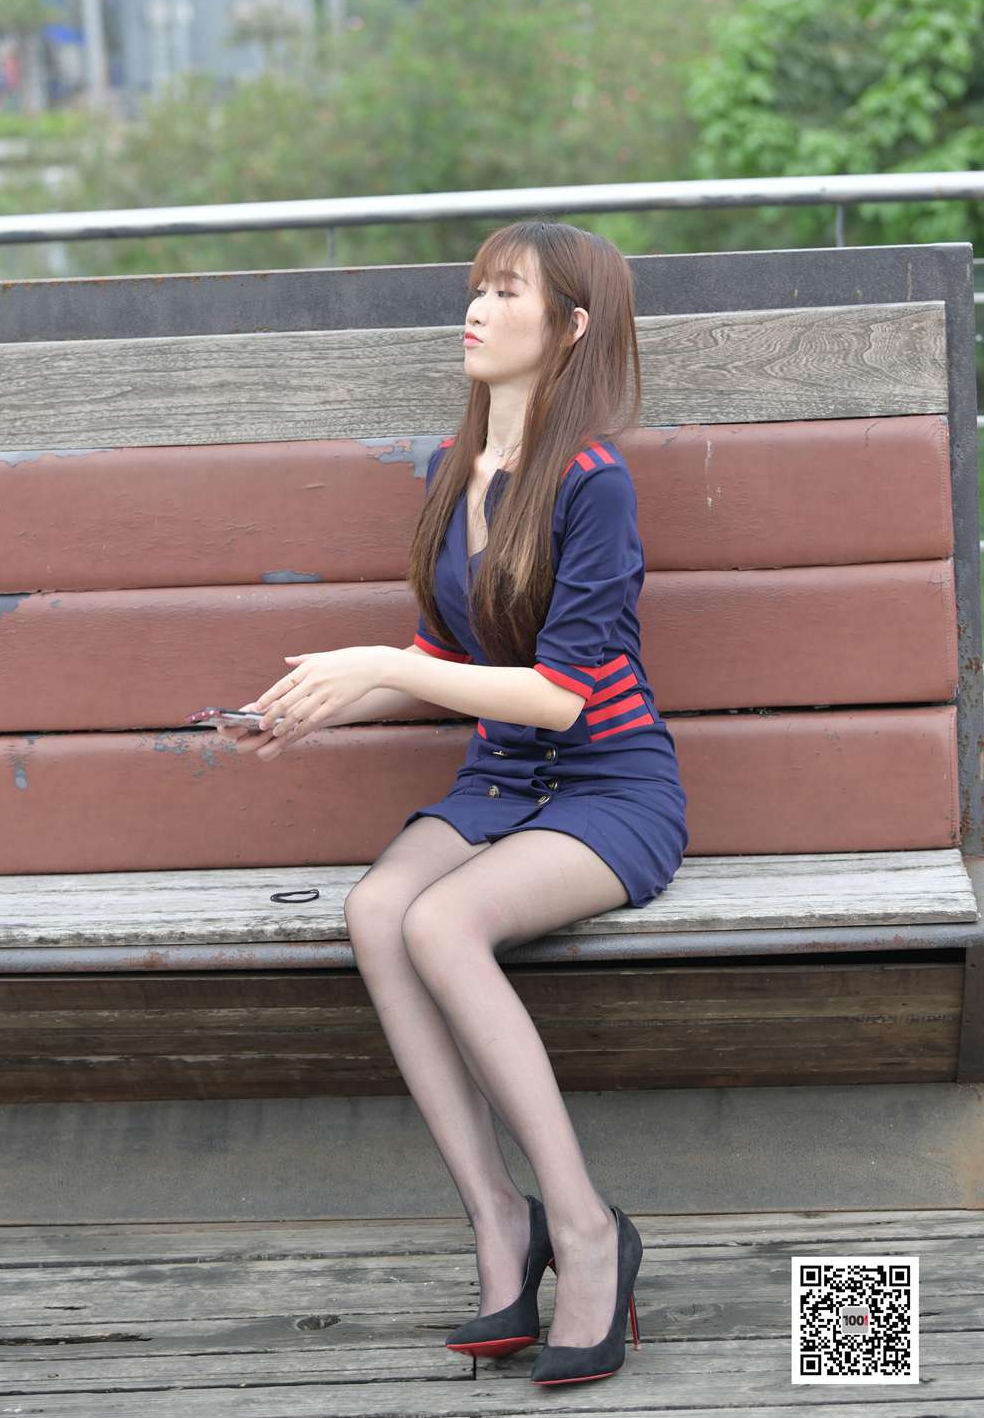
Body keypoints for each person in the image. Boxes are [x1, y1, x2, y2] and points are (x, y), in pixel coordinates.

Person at [215, 219, 689, 1385]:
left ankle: (585, 1227)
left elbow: (563, 697)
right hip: (497, 785)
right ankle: (498, 1220)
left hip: (610, 785)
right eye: (476, 290)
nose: (476, 310)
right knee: (378, 912)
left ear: (570, 328)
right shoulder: (456, 467)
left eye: (507, 293)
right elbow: (444, 658)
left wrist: (381, 661)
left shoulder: (593, 481)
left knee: (442, 920)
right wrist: (312, 710)